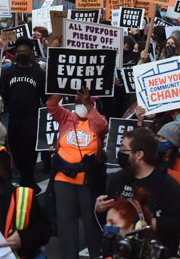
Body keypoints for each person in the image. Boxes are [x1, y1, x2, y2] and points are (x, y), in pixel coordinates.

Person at [95, 127, 180, 256]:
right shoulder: (118, 179)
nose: (120, 152)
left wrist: (152, 223)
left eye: (124, 149)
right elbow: (107, 218)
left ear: (139, 155)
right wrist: (99, 209)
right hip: (121, 252)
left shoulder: (166, 184)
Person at [47, 88, 108, 259]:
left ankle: (97, 255)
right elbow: (51, 105)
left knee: (91, 224)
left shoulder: (97, 121)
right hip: (63, 178)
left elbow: (103, 128)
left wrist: (88, 103)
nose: (81, 105)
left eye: (85, 103)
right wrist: (61, 86)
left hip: (88, 180)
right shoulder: (67, 117)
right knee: (66, 225)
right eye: (78, 102)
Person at [0, 37, 47, 191]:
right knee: (16, 151)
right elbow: (3, 95)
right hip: (14, 118)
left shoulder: (38, 73)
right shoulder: (8, 72)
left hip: (32, 118)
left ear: (30, 53)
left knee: (31, 152)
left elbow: (45, 97)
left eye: (24, 51)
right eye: (19, 52)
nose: (21, 54)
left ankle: (27, 181)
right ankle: (27, 181)